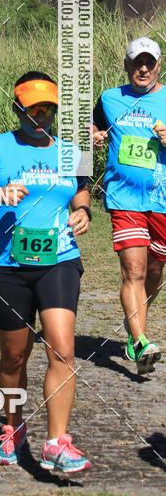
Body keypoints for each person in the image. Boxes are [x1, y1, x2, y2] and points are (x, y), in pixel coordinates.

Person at [0, 72, 91, 473]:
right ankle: (12, 428)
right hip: (8, 267)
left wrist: (82, 210)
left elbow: (81, 189)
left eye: (47, 108)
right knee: (15, 356)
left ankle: (56, 442)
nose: (40, 116)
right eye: (33, 108)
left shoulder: (73, 151)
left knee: (62, 348)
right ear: (17, 107)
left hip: (60, 261)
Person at [92, 37, 166, 374]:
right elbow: (92, 124)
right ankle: (140, 341)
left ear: (159, 66)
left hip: (162, 199)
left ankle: (134, 323)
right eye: (138, 62)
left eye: (150, 62)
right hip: (124, 197)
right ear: (126, 64)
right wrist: (93, 133)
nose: (144, 68)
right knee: (134, 270)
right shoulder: (110, 98)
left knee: (153, 272)